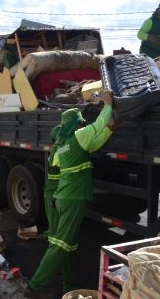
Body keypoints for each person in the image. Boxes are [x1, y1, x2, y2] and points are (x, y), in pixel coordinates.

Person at [27, 90, 115, 296]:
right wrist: (108, 104)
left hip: (62, 198)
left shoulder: (61, 147)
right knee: (62, 243)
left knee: (68, 244)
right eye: (80, 123)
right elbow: (98, 124)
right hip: (74, 198)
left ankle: (70, 283)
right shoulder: (79, 136)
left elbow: (97, 140)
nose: (82, 125)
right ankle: (35, 286)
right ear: (76, 124)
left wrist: (110, 129)